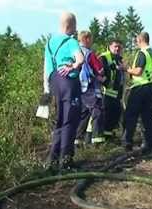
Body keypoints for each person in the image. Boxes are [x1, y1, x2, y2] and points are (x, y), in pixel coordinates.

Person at [44, 12, 84, 173]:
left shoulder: (49, 43)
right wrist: (73, 66)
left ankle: (52, 160)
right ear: (71, 26)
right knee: (70, 121)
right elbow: (80, 59)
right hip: (69, 84)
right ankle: (65, 161)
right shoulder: (71, 41)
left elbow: (46, 69)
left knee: (60, 121)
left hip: (54, 84)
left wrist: (46, 89)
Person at [122, 32, 152, 154]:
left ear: (140, 40)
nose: (136, 43)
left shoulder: (142, 53)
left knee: (130, 115)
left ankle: (127, 143)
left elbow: (138, 71)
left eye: (136, 41)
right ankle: (150, 145)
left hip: (140, 87)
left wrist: (126, 68)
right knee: (147, 117)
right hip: (150, 88)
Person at [75, 31, 106, 146]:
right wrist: (102, 75)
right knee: (97, 111)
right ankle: (97, 141)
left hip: (78, 88)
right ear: (86, 39)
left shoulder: (73, 51)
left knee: (83, 114)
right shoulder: (89, 53)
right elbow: (99, 69)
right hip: (90, 87)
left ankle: (77, 141)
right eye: (90, 39)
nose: (91, 41)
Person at [100, 39, 125, 140]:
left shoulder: (119, 59)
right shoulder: (104, 57)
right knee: (107, 115)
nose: (117, 48)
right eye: (115, 46)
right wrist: (105, 82)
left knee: (115, 115)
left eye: (119, 47)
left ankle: (109, 136)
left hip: (117, 92)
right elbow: (99, 72)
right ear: (109, 47)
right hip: (107, 92)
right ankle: (105, 137)